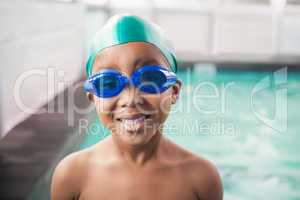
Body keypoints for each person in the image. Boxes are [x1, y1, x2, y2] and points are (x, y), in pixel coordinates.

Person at [51, 14, 223, 200]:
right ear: (93, 98)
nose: (131, 98)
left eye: (150, 79)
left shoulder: (201, 178)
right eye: (108, 83)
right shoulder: (72, 176)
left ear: (173, 91)